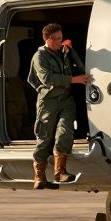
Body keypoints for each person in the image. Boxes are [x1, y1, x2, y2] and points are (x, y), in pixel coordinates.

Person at [27, 23, 92, 189]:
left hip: (66, 99)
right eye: (57, 39)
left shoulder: (62, 53)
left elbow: (76, 68)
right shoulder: (39, 56)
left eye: (61, 38)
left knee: (65, 132)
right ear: (48, 40)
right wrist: (73, 80)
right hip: (48, 101)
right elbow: (47, 79)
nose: (60, 41)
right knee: (44, 137)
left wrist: (70, 52)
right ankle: (39, 176)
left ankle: (60, 171)